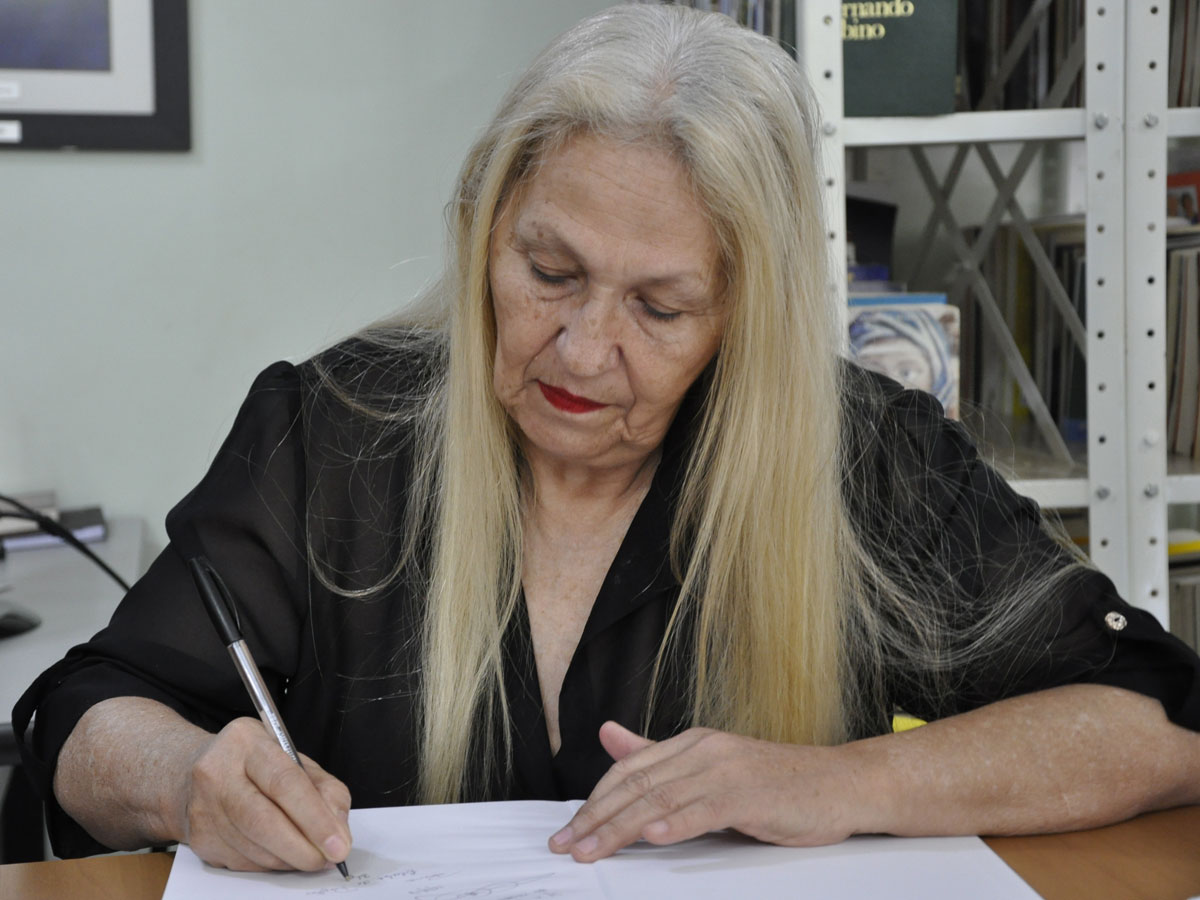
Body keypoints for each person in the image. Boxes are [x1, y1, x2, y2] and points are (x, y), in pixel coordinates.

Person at [15, 4, 1200, 874]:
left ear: (745, 313)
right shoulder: (335, 431)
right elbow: (85, 711)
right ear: (486, 229)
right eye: (548, 271)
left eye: (659, 308)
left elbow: (1156, 721)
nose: (582, 351)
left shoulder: (863, 462)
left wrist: (846, 781)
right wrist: (186, 780)